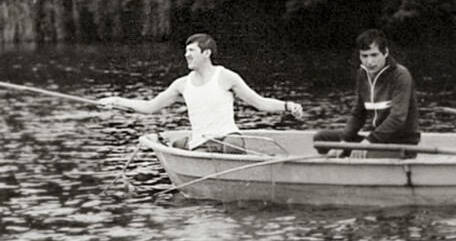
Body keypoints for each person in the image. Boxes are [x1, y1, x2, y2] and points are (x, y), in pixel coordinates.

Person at [99, 33, 303, 153]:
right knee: (195, 149)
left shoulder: (226, 77)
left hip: (228, 139)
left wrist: (287, 106)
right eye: (186, 51)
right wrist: (116, 100)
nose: (186, 55)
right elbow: (150, 107)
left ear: (207, 54)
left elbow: (259, 103)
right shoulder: (181, 84)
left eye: (191, 51)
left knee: (230, 145)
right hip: (202, 144)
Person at [313, 29, 420, 159]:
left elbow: (398, 118)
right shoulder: (362, 74)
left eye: (374, 55)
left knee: (366, 155)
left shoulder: (400, 75)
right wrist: (344, 141)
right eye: (365, 56)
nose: (369, 62)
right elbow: (358, 113)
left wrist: (368, 142)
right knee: (321, 139)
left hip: (401, 144)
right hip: (378, 141)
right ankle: (346, 154)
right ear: (359, 56)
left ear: (385, 52)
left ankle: (355, 157)